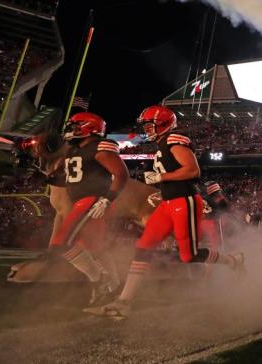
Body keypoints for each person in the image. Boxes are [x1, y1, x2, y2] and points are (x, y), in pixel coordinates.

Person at [86, 105, 243, 320]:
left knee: (189, 256)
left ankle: (233, 261)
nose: (147, 129)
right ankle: (123, 302)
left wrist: (161, 179)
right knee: (143, 247)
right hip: (168, 203)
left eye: (150, 125)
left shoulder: (173, 140)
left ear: (162, 124)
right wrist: (161, 193)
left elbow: (192, 170)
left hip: (184, 202)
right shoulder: (162, 144)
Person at [50, 112, 128, 306]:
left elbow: (121, 174)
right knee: (95, 248)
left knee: (61, 244)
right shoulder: (74, 150)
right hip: (81, 201)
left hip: (92, 201)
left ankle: (98, 280)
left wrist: (107, 199)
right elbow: (76, 176)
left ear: (89, 127)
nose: (71, 130)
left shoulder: (100, 147)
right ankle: (114, 288)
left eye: (76, 126)